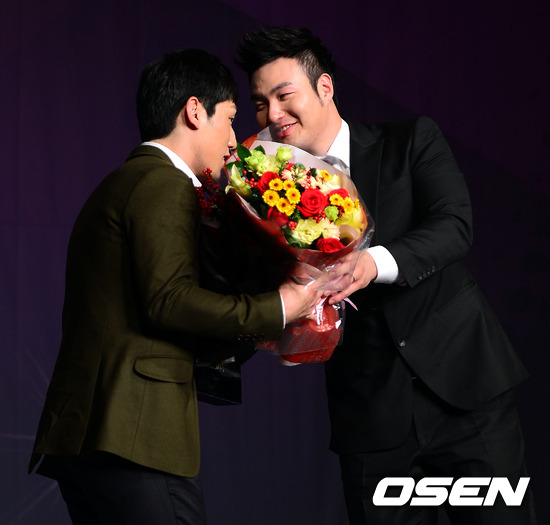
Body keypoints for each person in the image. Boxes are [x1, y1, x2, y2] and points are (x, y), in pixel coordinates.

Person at [236, 27, 537, 524]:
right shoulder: (258, 186)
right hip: (369, 414)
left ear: (325, 87)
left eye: (284, 96)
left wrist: (371, 262)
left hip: (464, 388)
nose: (273, 114)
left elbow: (454, 225)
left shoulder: (410, 139)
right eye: (260, 103)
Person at [28, 48, 321, 525]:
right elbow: (169, 301)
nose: (234, 139)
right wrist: (280, 307)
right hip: (133, 433)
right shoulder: (162, 183)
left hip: (91, 433)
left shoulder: (125, 181)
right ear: (194, 111)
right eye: (230, 119)